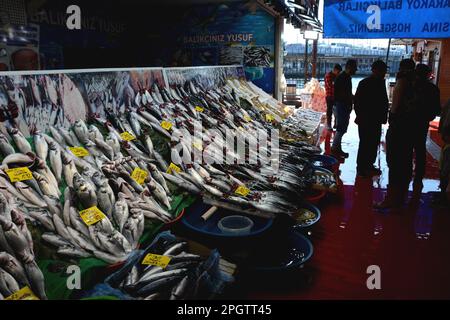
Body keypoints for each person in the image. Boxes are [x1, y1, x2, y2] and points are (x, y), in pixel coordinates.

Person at [375, 59, 416, 209]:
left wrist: (390, 117)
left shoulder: (403, 81)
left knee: (394, 163)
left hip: (399, 128)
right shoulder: (417, 83)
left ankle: (391, 199)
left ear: (402, 68)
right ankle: (401, 197)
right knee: (405, 163)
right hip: (411, 128)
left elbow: (395, 105)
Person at [410, 64, 441, 198]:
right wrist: (428, 116)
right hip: (422, 121)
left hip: (408, 121)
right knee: (420, 147)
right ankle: (419, 173)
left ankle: (405, 170)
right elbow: (436, 109)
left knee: (406, 146)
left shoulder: (411, 86)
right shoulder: (433, 89)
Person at [354, 60, 389, 177]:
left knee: (373, 143)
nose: (384, 73)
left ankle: (369, 165)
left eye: (384, 70)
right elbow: (357, 102)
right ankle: (361, 168)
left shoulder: (380, 83)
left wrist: (384, 117)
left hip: (376, 120)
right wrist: (360, 116)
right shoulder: (365, 83)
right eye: (381, 70)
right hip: (366, 120)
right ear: (374, 70)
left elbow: (384, 102)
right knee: (365, 144)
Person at [331, 59, 357, 158]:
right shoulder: (343, 78)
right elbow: (342, 94)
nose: (356, 70)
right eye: (355, 68)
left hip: (342, 105)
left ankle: (337, 148)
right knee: (341, 128)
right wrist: (352, 98)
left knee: (341, 127)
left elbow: (346, 93)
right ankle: (334, 149)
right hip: (341, 105)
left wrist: (351, 97)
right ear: (349, 67)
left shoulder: (344, 77)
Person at [324, 64, 342, 130]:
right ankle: (329, 125)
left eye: (339, 72)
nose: (338, 73)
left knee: (337, 111)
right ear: (335, 70)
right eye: (338, 72)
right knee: (329, 111)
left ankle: (335, 124)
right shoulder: (328, 75)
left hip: (336, 96)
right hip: (329, 96)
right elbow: (330, 86)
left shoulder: (337, 76)